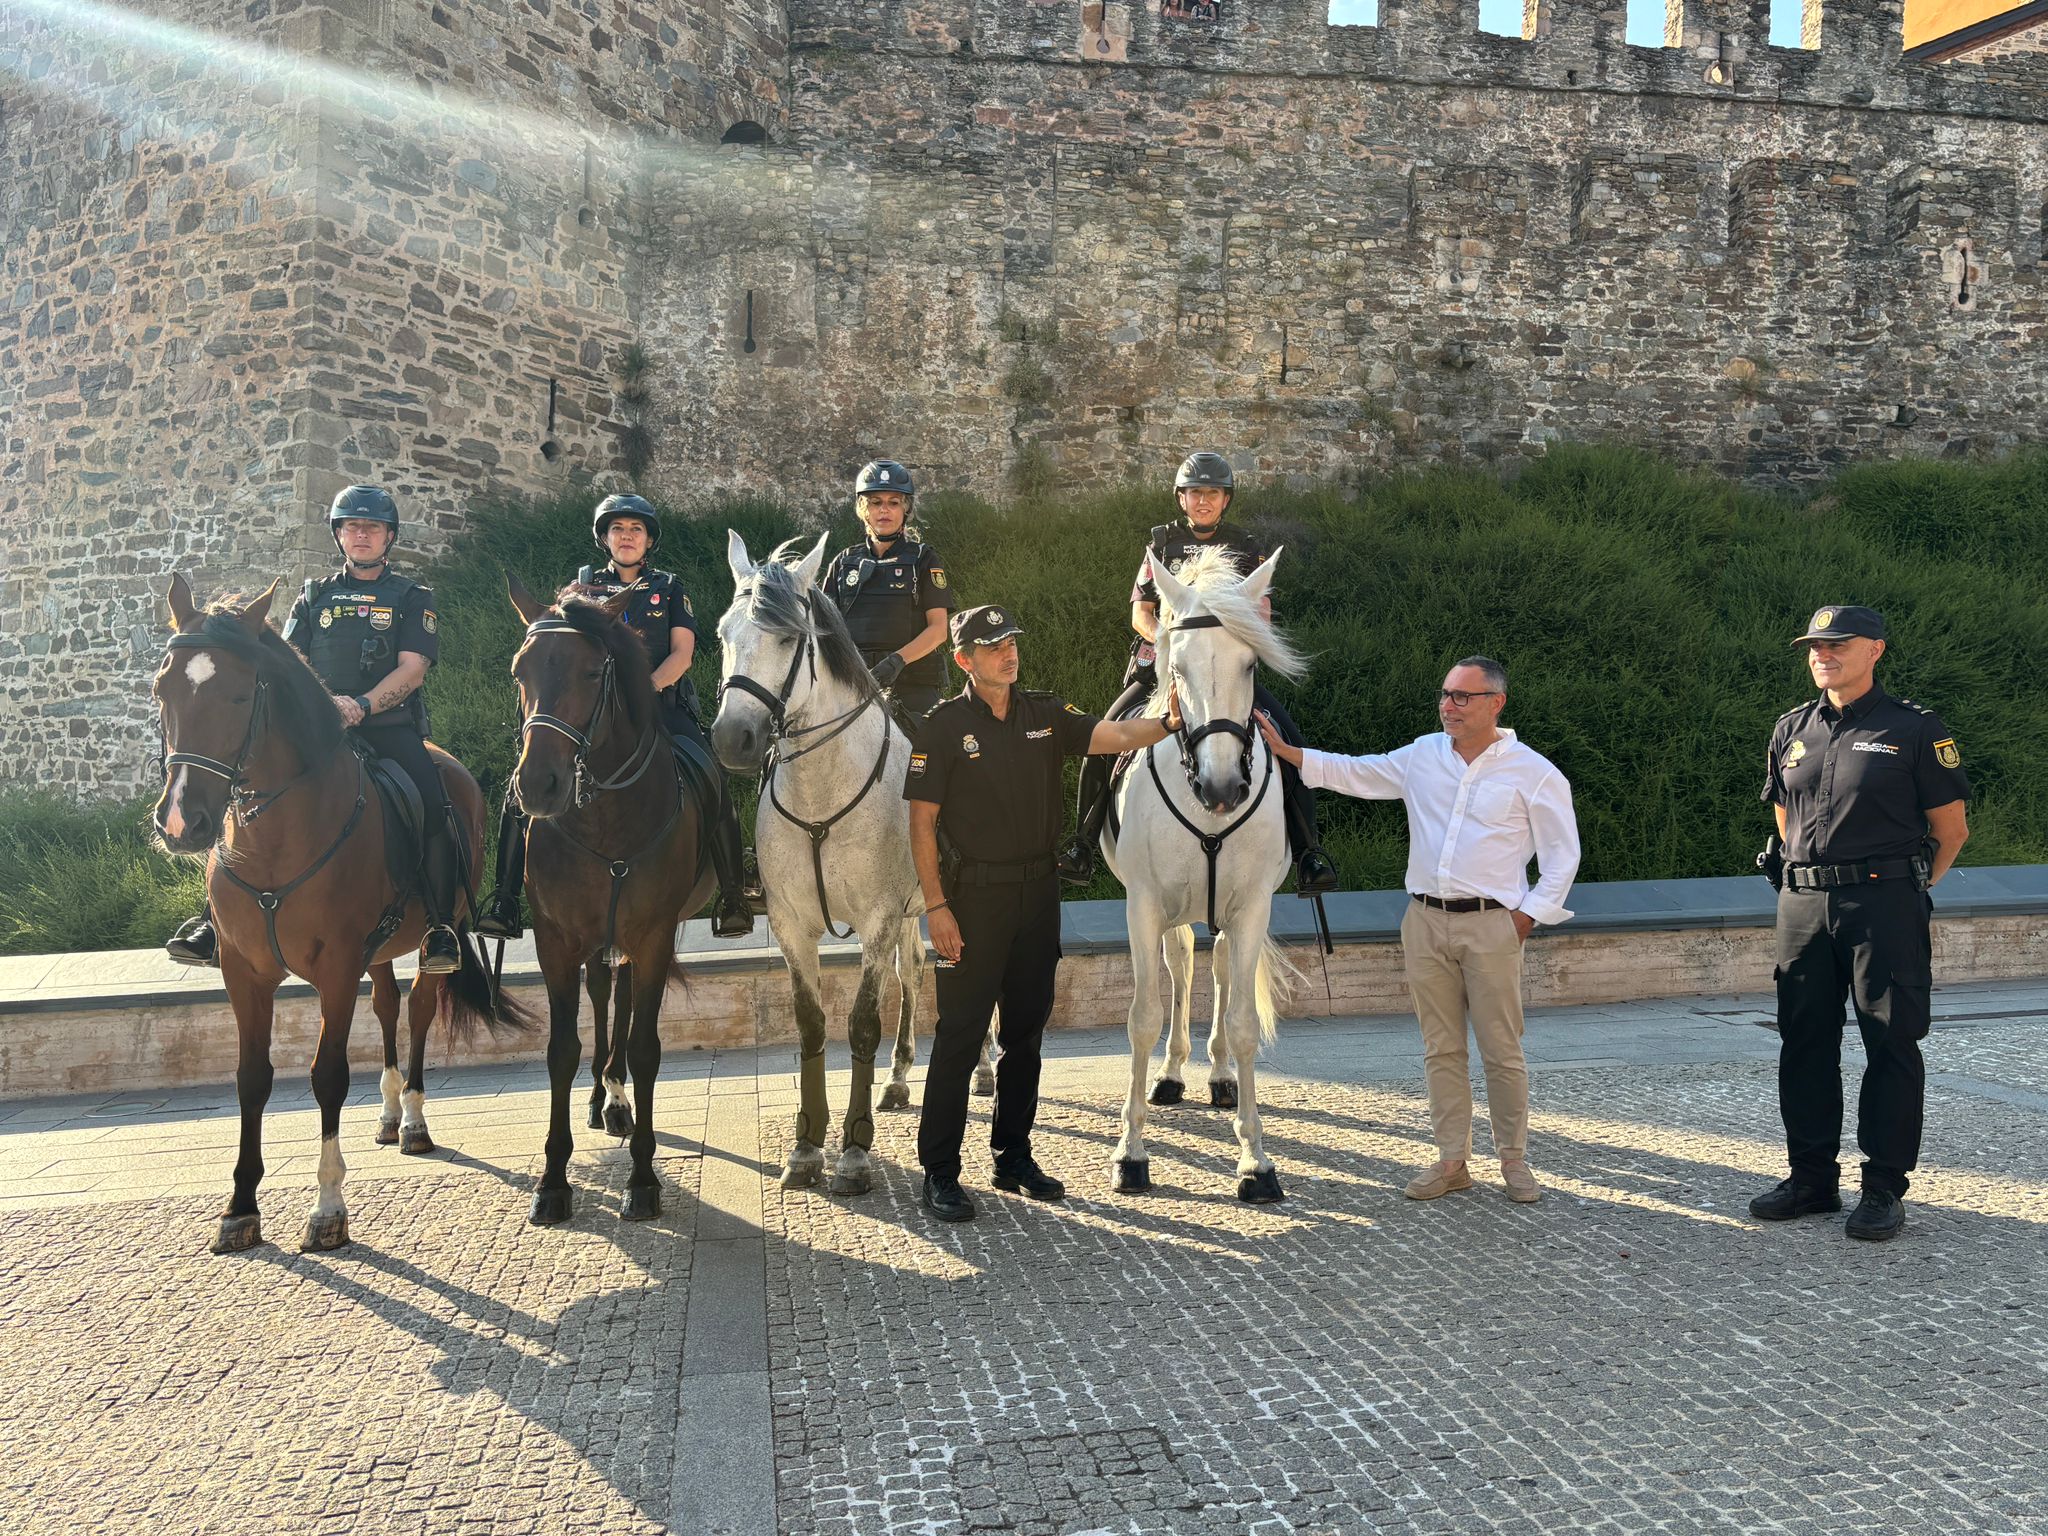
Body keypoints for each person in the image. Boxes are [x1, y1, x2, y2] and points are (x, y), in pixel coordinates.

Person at [1257, 656, 1579, 1204]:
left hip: (1491, 926)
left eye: (1462, 697)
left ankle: (1514, 1161)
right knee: (1441, 1048)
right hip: (1424, 921)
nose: (1447, 705)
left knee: (1502, 1049)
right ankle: (1452, 1161)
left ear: (1496, 703)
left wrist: (1524, 918)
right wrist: (1291, 755)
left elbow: (1562, 856)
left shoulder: (1535, 772)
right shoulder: (1423, 755)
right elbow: (1358, 771)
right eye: (1446, 694)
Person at [907, 604, 1184, 1223]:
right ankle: (941, 1173)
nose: (1008, 652)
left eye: (1011, 641)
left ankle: (1013, 1157)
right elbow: (921, 824)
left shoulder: (1043, 713)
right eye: (993, 645)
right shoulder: (943, 726)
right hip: (972, 901)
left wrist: (1167, 724)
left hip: (1038, 896)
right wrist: (936, 907)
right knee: (958, 1038)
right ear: (964, 660)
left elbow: (1111, 738)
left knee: (1025, 1037)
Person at [164, 485, 464, 973]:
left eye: (372, 527)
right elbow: (285, 667)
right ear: (339, 535)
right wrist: (326, 708)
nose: (361, 534)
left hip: (386, 726)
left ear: (389, 537)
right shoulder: (314, 594)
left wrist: (362, 706)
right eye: (351, 526)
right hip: (318, 730)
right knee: (242, 791)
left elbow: (412, 670)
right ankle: (211, 922)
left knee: (433, 801)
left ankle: (440, 926)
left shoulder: (412, 596)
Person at [1750, 605, 1969, 1242]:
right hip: (1803, 905)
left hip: (1883, 905)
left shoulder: (1915, 729)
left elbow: (1950, 830)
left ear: (1874, 650)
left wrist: (1909, 890)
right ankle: (1811, 1179)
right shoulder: (1792, 728)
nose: (1823, 655)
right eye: (1815, 646)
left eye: (1837, 644)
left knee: (1890, 1039)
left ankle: (1882, 1190)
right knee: (1804, 1039)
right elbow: (1785, 816)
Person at [475, 494, 756, 942]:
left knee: (710, 773)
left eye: (636, 530)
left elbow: (682, 654)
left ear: (648, 540)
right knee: (522, 785)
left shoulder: (669, 586)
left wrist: (642, 691)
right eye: (618, 529)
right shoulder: (581, 589)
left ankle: (734, 894)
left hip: (659, 707)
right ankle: (506, 898)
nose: (627, 536)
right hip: (592, 716)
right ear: (604, 538)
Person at [1058, 451, 1336, 895]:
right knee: (1104, 737)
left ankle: (1308, 853)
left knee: (1290, 738)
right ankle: (1084, 842)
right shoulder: (1160, 544)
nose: (1203, 500)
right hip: (1164, 666)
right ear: (1181, 498)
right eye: (1194, 493)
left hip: (1225, 669)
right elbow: (1140, 614)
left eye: (1212, 493)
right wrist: (1170, 641)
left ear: (1226, 499)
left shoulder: (1246, 547)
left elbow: (1259, 611)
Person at [821, 460, 956, 722]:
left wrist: (895, 662)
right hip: (852, 686)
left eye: (893, 502)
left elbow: (938, 630)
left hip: (912, 685)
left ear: (905, 509)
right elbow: (823, 627)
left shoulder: (923, 559)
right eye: (876, 502)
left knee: (938, 749)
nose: (885, 510)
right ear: (864, 509)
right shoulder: (843, 562)